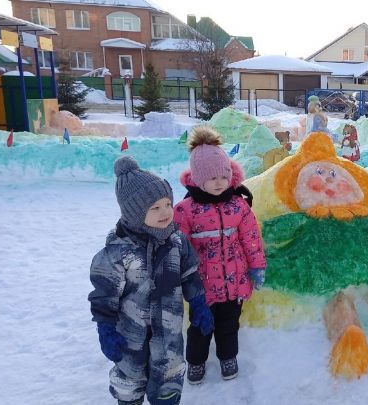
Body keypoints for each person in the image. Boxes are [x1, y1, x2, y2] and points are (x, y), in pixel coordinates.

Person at [89, 156, 214, 405]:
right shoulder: (117, 253)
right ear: (135, 213)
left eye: (168, 203)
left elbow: (190, 274)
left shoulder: (177, 242)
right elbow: (104, 296)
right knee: (130, 383)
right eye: (155, 208)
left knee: (168, 384)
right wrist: (105, 328)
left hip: (168, 337)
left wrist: (199, 302)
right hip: (130, 340)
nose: (166, 212)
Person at [174, 126, 267, 384]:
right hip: (201, 287)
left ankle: (228, 357)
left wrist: (256, 267)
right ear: (197, 178)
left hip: (234, 282)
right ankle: (196, 362)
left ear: (230, 175)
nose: (218, 183)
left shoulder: (239, 205)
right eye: (211, 177)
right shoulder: (185, 210)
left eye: (222, 177)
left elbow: (251, 239)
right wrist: (179, 277)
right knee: (200, 327)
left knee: (229, 326)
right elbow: (179, 247)